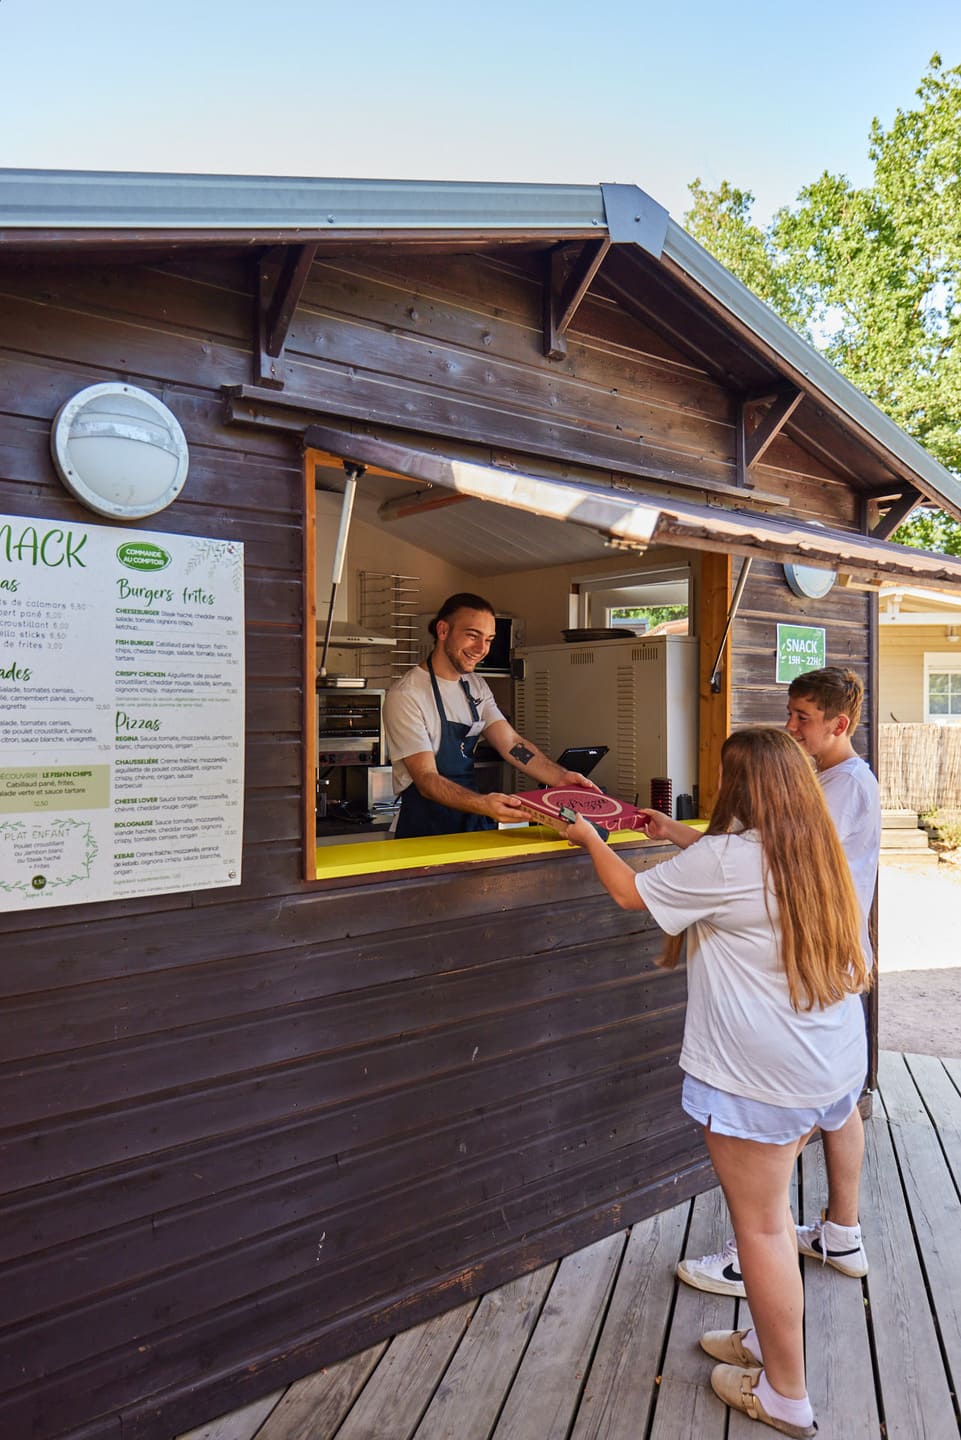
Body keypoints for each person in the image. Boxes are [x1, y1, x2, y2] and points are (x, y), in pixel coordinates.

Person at [560, 727, 870, 1436]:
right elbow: (729, 872)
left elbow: (630, 894)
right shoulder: (812, 847)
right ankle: (766, 1340)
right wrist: (672, 831)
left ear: (739, 786)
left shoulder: (730, 858)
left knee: (760, 1229)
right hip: (827, 1062)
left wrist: (589, 839)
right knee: (771, 1216)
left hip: (762, 1078)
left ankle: (786, 1395)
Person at [678, 667, 881, 1298]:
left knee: (786, 1123)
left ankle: (750, 1258)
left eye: (802, 718)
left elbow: (771, 865)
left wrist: (697, 849)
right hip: (831, 963)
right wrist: (682, 835)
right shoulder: (835, 780)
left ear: (838, 724)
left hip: (811, 963)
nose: (790, 726)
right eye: (789, 713)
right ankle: (841, 1233)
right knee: (837, 1104)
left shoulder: (844, 787)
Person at [383, 593, 598, 839]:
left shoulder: (475, 686)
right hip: (425, 830)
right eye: (472, 636)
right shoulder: (407, 695)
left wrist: (561, 777)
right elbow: (426, 780)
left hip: (470, 823)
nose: (481, 649)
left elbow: (512, 745)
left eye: (488, 640)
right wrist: (483, 803)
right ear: (443, 630)